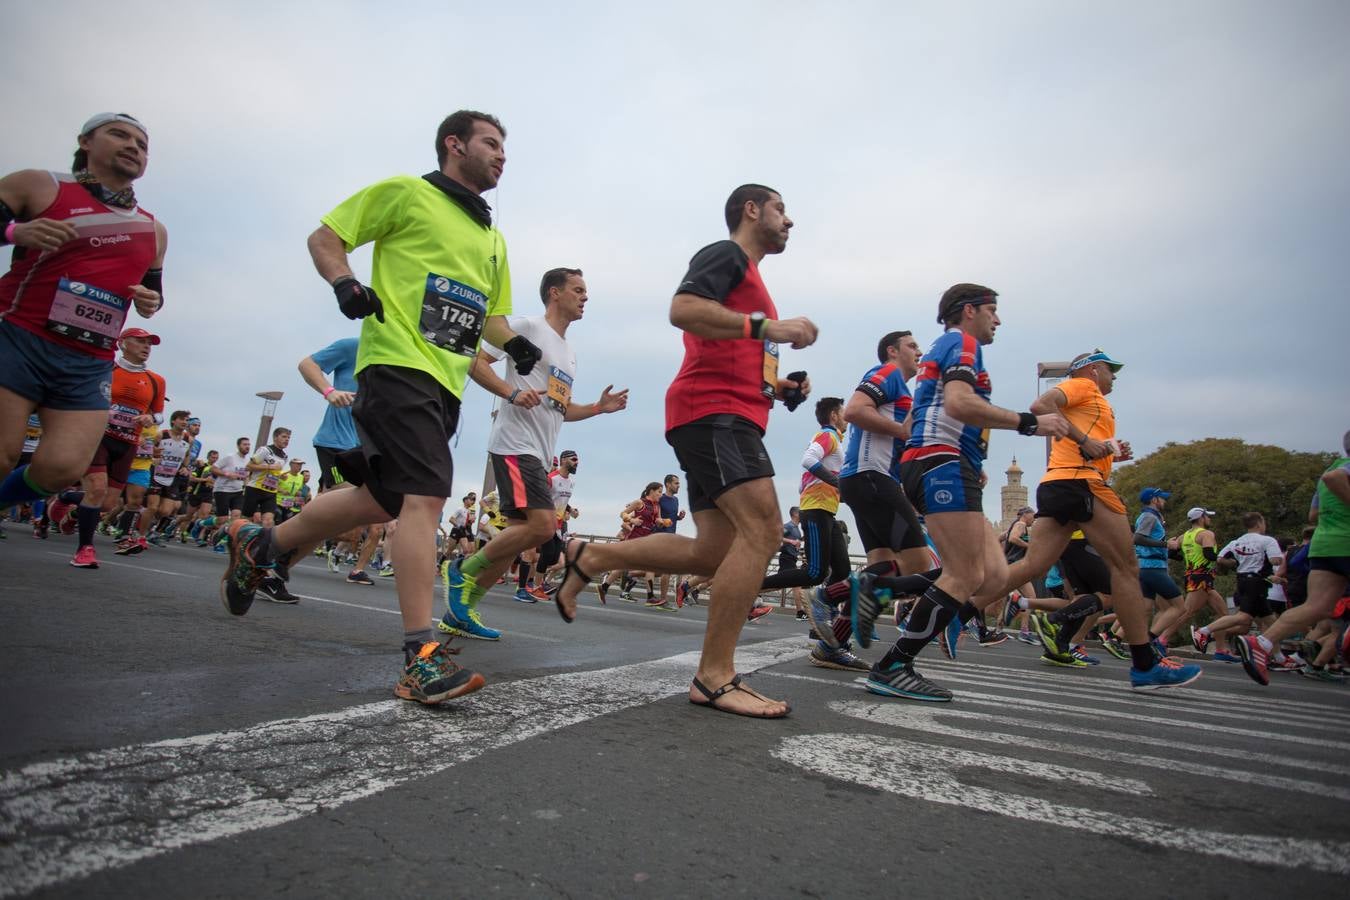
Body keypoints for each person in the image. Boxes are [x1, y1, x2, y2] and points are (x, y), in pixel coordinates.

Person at [220, 109, 541, 706]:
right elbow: (326, 236)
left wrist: (515, 344)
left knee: (383, 497)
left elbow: (489, 317)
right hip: (396, 363)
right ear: (454, 145)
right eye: (491, 144)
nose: (502, 155)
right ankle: (419, 657)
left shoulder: (493, 238)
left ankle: (263, 546)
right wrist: (344, 281)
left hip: (446, 383)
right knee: (424, 498)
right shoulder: (407, 193)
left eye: (505, 147)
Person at [553, 183, 817, 718]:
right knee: (763, 532)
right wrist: (770, 326)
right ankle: (714, 676)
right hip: (715, 413)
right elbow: (683, 309)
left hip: (721, 412)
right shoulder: (727, 255)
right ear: (751, 210)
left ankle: (595, 555)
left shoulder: (753, 280)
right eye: (781, 210)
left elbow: (731, 346)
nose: (789, 221)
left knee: (711, 552)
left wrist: (780, 385)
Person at [851, 286, 1076, 702]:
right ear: (969, 311)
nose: (998, 319)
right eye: (992, 310)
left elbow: (954, 405)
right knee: (967, 574)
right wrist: (1029, 422)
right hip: (941, 463)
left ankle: (880, 589)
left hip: (949, 465)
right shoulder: (962, 342)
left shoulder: (956, 346)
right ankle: (893, 665)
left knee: (993, 576)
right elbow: (958, 404)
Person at [977, 349, 1202, 690]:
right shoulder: (1084, 386)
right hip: (1081, 484)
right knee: (1125, 570)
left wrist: (1108, 450)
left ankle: (955, 610)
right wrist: (1089, 442)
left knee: (1033, 566)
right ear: (1093, 370)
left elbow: (1082, 445)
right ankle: (1143, 663)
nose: (1114, 378)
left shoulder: (1092, 404)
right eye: (1111, 371)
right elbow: (1041, 407)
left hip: (1057, 483)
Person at [441, 266, 627, 633]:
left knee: (513, 542)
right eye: (578, 289)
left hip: (539, 454)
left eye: (585, 291)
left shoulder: (569, 353)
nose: (585, 297)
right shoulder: (525, 327)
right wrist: (511, 392)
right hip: (514, 445)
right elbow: (474, 363)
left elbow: (561, 409)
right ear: (554, 293)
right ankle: (460, 570)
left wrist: (596, 408)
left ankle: (460, 614)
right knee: (542, 527)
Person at [0, 113, 166, 514]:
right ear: (85, 142)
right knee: (2, 455)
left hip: (88, 362)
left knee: (60, 469)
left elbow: (155, 293)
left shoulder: (154, 230)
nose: (133, 147)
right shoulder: (39, 184)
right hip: (19, 336)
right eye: (119, 135)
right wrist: (13, 233)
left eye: (142, 145)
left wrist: (149, 301)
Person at [1235, 431, 1350, 685]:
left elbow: (1313, 514)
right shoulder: (1336, 472)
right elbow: (1335, 479)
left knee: (1316, 607)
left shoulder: (1332, 468)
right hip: (1345, 542)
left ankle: (1262, 643)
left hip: (1324, 543)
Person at [65, 328, 165, 568]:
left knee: (108, 504)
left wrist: (151, 419)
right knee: (97, 489)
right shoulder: (106, 368)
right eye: (140, 342)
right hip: (98, 437)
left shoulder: (156, 380)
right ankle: (85, 549)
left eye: (149, 344)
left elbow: (159, 414)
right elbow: (79, 392)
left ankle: (67, 501)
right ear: (122, 344)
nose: (146, 347)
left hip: (128, 444)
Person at [300, 337, 386, 584]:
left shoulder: (399, 361)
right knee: (347, 512)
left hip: (364, 449)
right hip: (335, 445)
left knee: (376, 523)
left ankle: (357, 569)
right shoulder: (354, 346)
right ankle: (270, 547)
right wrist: (329, 391)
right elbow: (307, 364)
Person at [1192, 511, 1286, 661]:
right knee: (1243, 617)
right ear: (1259, 523)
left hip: (1243, 580)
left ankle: (1279, 657)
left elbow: (1221, 558)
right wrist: (1276, 559)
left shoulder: (1237, 542)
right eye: (1264, 522)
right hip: (1256, 581)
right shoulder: (1267, 540)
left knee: (1271, 621)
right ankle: (1203, 631)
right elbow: (1276, 561)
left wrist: (1235, 563)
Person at [241, 427, 290, 527]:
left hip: (270, 492)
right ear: (275, 437)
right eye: (284, 437)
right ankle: (231, 539)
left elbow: (273, 473)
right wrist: (269, 466)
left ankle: (263, 542)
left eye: (289, 438)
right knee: (246, 520)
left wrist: (280, 476)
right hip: (255, 488)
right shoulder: (265, 450)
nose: (287, 439)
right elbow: (248, 467)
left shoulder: (285, 457)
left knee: (268, 521)